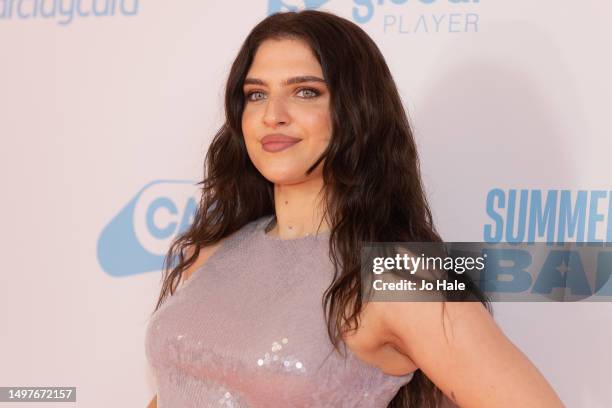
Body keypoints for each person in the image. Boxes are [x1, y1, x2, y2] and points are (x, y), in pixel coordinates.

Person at [145, 9, 564, 408]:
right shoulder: (209, 252)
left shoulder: (399, 273)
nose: (273, 115)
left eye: (305, 91)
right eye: (256, 94)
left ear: (355, 111)